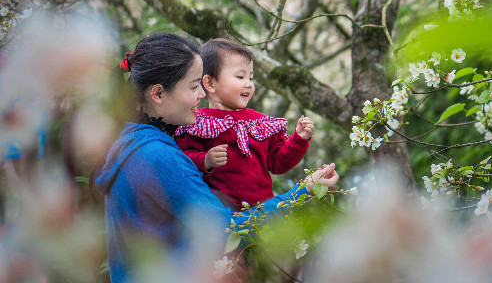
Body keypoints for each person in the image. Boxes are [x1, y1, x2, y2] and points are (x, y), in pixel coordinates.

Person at [94, 33, 337, 283]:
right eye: (193, 86)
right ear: (157, 93)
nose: (201, 94)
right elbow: (226, 231)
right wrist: (305, 191)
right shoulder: (159, 157)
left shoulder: (128, 146)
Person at [174, 38, 313, 211]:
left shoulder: (260, 124)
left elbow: (278, 163)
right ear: (210, 83)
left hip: (264, 214)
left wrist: (298, 140)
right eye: (240, 77)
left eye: (251, 78)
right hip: (220, 218)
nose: (248, 84)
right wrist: (205, 160)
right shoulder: (196, 124)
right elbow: (181, 163)